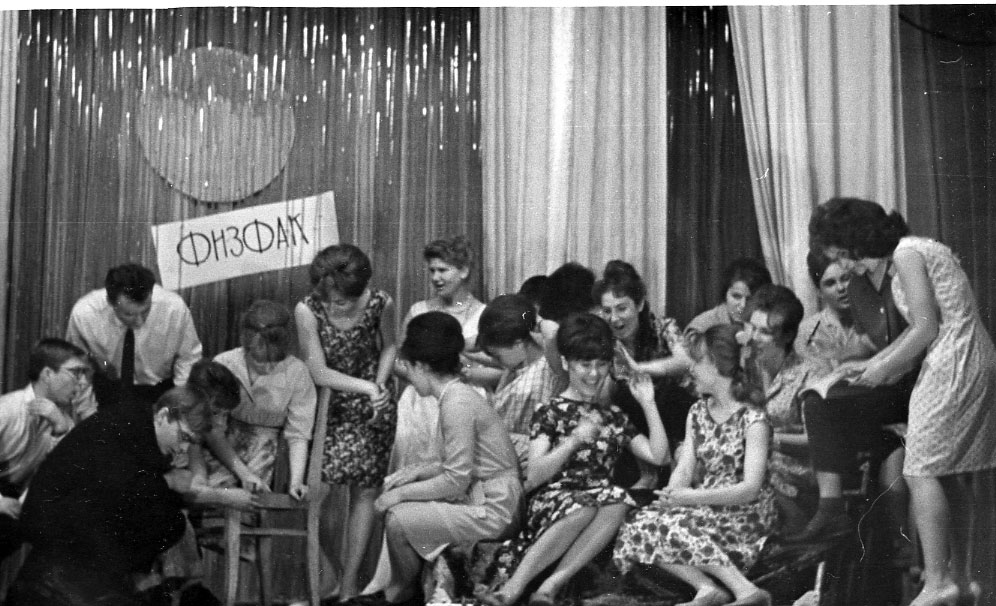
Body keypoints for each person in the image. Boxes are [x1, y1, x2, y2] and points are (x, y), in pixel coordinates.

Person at [809, 198, 996, 606]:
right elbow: (924, 330)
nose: (846, 265)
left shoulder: (906, 253)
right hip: (964, 356)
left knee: (920, 470)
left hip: (953, 361)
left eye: (842, 254)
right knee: (950, 474)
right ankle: (961, 579)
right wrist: (871, 365)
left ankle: (937, 581)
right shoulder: (912, 252)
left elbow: (926, 328)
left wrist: (879, 369)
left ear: (856, 241)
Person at [478, 313, 669, 606]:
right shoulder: (550, 411)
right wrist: (573, 441)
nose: (594, 374)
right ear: (567, 363)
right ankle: (514, 587)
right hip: (554, 500)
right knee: (588, 504)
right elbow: (535, 475)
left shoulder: (613, 416)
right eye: (585, 365)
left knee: (618, 500)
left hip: (601, 500)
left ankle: (549, 588)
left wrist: (648, 403)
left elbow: (659, 456)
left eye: (601, 365)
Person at [364, 312, 522, 606]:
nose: (409, 377)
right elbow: (464, 464)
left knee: (397, 518)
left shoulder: (456, 402)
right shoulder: (455, 395)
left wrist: (399, 494)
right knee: (399, 506)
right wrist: (420, 472)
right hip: (485, 496)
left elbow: (456, 480)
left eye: (409, 367)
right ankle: (401, 592)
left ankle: (402, 596)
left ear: (422, 366)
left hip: (495, 509)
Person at [613, 325, 777, 606]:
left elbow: (750, 489)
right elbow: (685, 467)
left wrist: (690, 498)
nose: (690, 370)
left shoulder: (753, 420)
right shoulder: (698, 412)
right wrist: (671, 494)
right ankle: (706, 588)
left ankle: (747, 591)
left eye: (697, 362)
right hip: (705, 506)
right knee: (636, 523)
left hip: (743, 513)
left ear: (717, 365)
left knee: (669, 525)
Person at [7, 387, 210, 606]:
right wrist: (167, 481)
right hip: (55, 526)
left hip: (79, 527)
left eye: (190, 443)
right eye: (183, 437)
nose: (183, 449)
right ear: (163, 415)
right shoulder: (126, 424)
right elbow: (114, 490)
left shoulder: (146, 431)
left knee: (172, 522)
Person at [296, 243, 397, 602]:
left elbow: (389, 346)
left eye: (344, 301)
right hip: (328, 404)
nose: (336, 306)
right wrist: (368, 388)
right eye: (331, 301)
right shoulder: (307, 309)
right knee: (316, 494)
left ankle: (350, 584)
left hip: (373, 406)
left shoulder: (381, 302)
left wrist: (379, 387)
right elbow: (318, 370)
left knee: (366, 492)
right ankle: (330, 576)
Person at [786, 250, 908, 545]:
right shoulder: (807, 332)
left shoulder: (877, 315)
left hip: (881, 411)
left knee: (894, 470)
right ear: (818, 291)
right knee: (819, 405)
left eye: (845, 279)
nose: (841, 288)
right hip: (841, 427)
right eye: (830, 283)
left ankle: (900, 550)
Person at [593, 260, 694, 493]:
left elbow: (685, 361)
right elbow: (605, 395)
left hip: (677, 411)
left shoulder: (663, 327)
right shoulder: (606, 341)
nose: (614, 318)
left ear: (639, 305)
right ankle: (647, 474)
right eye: (607, 311)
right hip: (640, 422)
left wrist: (640, 368)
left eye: (622, 308)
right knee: (621, 399)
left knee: (667, 395)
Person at [202, 300, 317, 499]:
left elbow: (298, 435)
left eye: (274, 362)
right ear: (245, 348)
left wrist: (296, 481)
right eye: (258, 361)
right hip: (222, 444)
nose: (267, 368)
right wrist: (243, 473)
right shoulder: (224, 364)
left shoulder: (297, 372)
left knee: (255, 496)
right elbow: (213, 429)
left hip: (267, 450)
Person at [0, 338, 91, 563]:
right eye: (75, 373)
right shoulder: (8, 409)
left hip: (15, 506)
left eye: (84, 374)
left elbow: (68, 477)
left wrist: (60, 429)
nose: (82, 383)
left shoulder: (64, 422)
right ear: (48, 374)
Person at [65, 263, 203, 410]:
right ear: (111, 302)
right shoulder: (84, 314)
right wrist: (85, 410)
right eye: (129, 314)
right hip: (108, 388)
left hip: (159, 389)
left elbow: (188, 358)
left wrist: (179, 403)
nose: (139, 322)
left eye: (145, 311)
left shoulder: (174, 309)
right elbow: (78, 366)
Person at [741, 284, 817, 534]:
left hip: (794, 485)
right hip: (750, 474)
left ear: (786, 336)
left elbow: (817, 440)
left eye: (764, 332)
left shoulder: (809, 374)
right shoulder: (746, 369)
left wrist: (765, 439)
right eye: (752, 328)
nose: (753, 337)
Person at [476, 294, 566, 473]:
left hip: (536, 462)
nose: (496, 361)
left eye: (497, 356)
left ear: (518, 344)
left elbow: (553, 332)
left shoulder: (551, 367)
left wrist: (534, 320)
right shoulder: (512, 370)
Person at [686, 257, 772, 334]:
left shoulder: (770, 325)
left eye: (751, 299)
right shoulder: (702, 328)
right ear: (725, 295)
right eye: (736, 296)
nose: (743, 305)